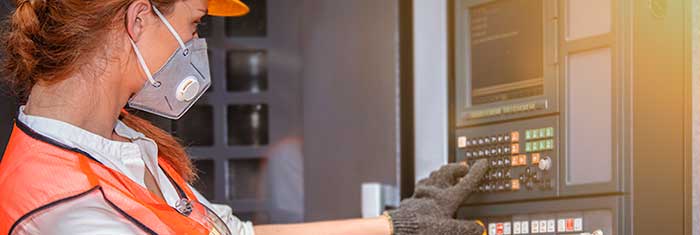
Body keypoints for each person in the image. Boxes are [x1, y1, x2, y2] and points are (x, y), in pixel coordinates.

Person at [0, 0, 488, 234]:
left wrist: (394, 226)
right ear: (139, 19)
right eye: (194, 25)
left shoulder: (121, 145)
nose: (194, 47)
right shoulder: (66, 212)